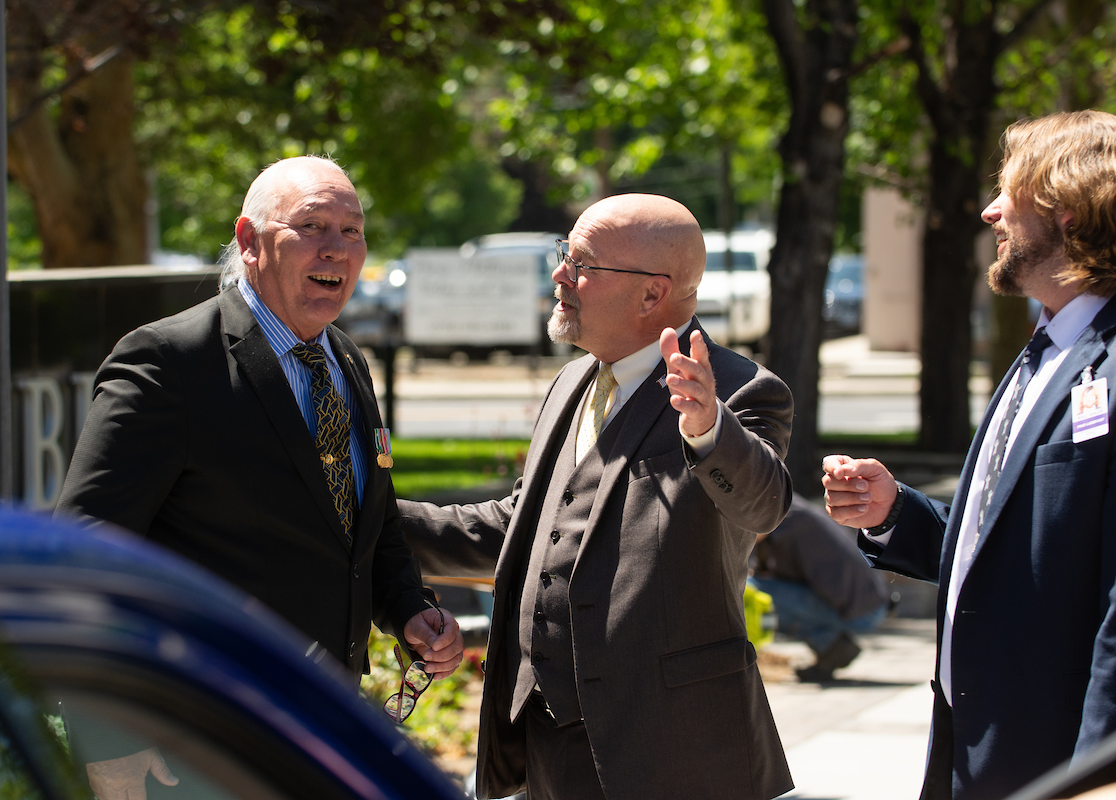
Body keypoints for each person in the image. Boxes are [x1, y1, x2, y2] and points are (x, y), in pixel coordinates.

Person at [56, 156, 463, 797]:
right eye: (313, 226)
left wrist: (409, 609)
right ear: (249, 241)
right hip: (192, 745)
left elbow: (366, 525)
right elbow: (84, 555)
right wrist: (111, 738)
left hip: (317, 734)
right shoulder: (169, 362)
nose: (337, 248)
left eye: (352, 231)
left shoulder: (346, 359)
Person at [399, 193, 795, 800]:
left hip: (672, 756)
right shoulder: (575, 381)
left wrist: (708, 429)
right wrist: (368, 521)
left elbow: (763, 503)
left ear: (651, 293)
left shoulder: (740, 392)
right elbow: (526, 533)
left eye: (582, 262)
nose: (561, 274)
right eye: (566, 253)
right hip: (549, 752)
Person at [823, 110, 1116, 800]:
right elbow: (1021, 547)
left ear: (1067, 212)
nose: (990, 212)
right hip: (972, 749)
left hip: (1060, 766)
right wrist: (897, 514)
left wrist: (1096, 778)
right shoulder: (1045, 349)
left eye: (1008, 194)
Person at [749, 494, 891, 682]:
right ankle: (830, 646)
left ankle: (831, 644)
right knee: (754, 585)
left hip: (862, 612)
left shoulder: (783, 518)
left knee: (750, 591)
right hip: (868, 604)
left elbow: (750, 540)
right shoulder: (788, 508)